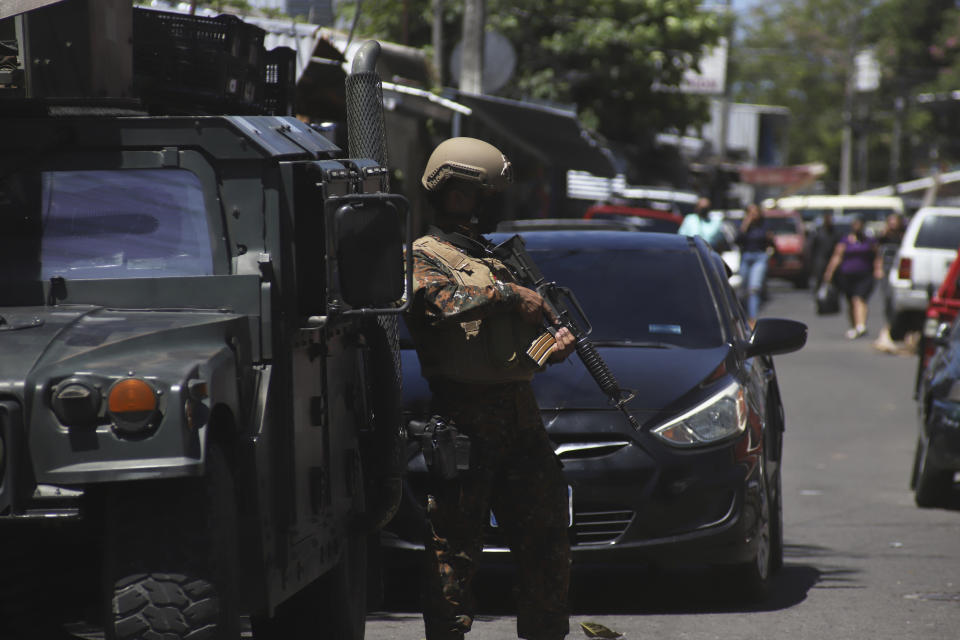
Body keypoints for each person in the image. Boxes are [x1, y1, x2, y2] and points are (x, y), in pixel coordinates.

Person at [405, 137, 577, 640]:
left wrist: (550, 344)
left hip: (520, 414)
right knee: (454, 548)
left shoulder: (491, 258)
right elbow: (439, 301)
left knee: (546, 537)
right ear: (442, 192)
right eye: (462, 194)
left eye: (476, 196)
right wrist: (510, 294)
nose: (472, 205)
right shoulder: (423, 255)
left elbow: (507, 346)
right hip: (464, 416)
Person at [822, 216, 884, 339]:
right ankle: (854, 326)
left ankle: (861, 325)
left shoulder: (869, 241)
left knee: (859, 298)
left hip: (865, 274)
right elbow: (837, 256)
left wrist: (878, 269)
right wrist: (829, 272)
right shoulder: (845, 240)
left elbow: (877, 255)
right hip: (847, 275)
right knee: (850, 301)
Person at [736, 202, 776, 325]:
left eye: (755, 212)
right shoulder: (744, 226)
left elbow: (771, 243)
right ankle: (743, 317)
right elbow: (737, 240)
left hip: (760, 258)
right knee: (743, 289)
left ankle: (752, 319)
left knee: (754, 288)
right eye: (750, 213)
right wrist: (746, 223)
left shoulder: (764, 226)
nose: (753, 215)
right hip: (746, 257)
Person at [808, 211, 841, 289]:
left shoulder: (835, 233)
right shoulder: (818, 232)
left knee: (834, 283)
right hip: (820, 261)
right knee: (819, 282)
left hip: (832, 261)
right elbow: (811, 248)